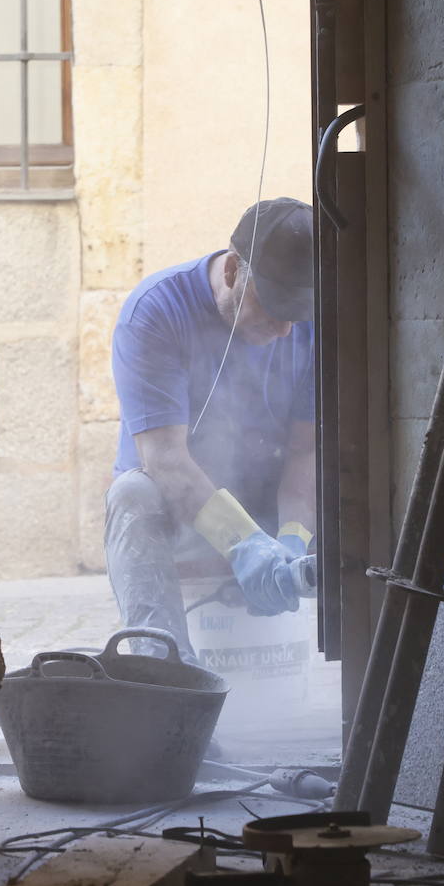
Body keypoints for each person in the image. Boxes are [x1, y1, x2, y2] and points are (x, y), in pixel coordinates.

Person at [104, 197, 318, 664]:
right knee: (130, 497)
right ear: (232, 272)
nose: (284, 330)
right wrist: (244, 544)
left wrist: (293, 540)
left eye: (295, 315)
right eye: (272, 308)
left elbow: (305, 452)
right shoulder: (156, 312)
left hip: (267, 499)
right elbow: (164, 459)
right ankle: (165, 676)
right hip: (176, 506)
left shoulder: (307, 327)